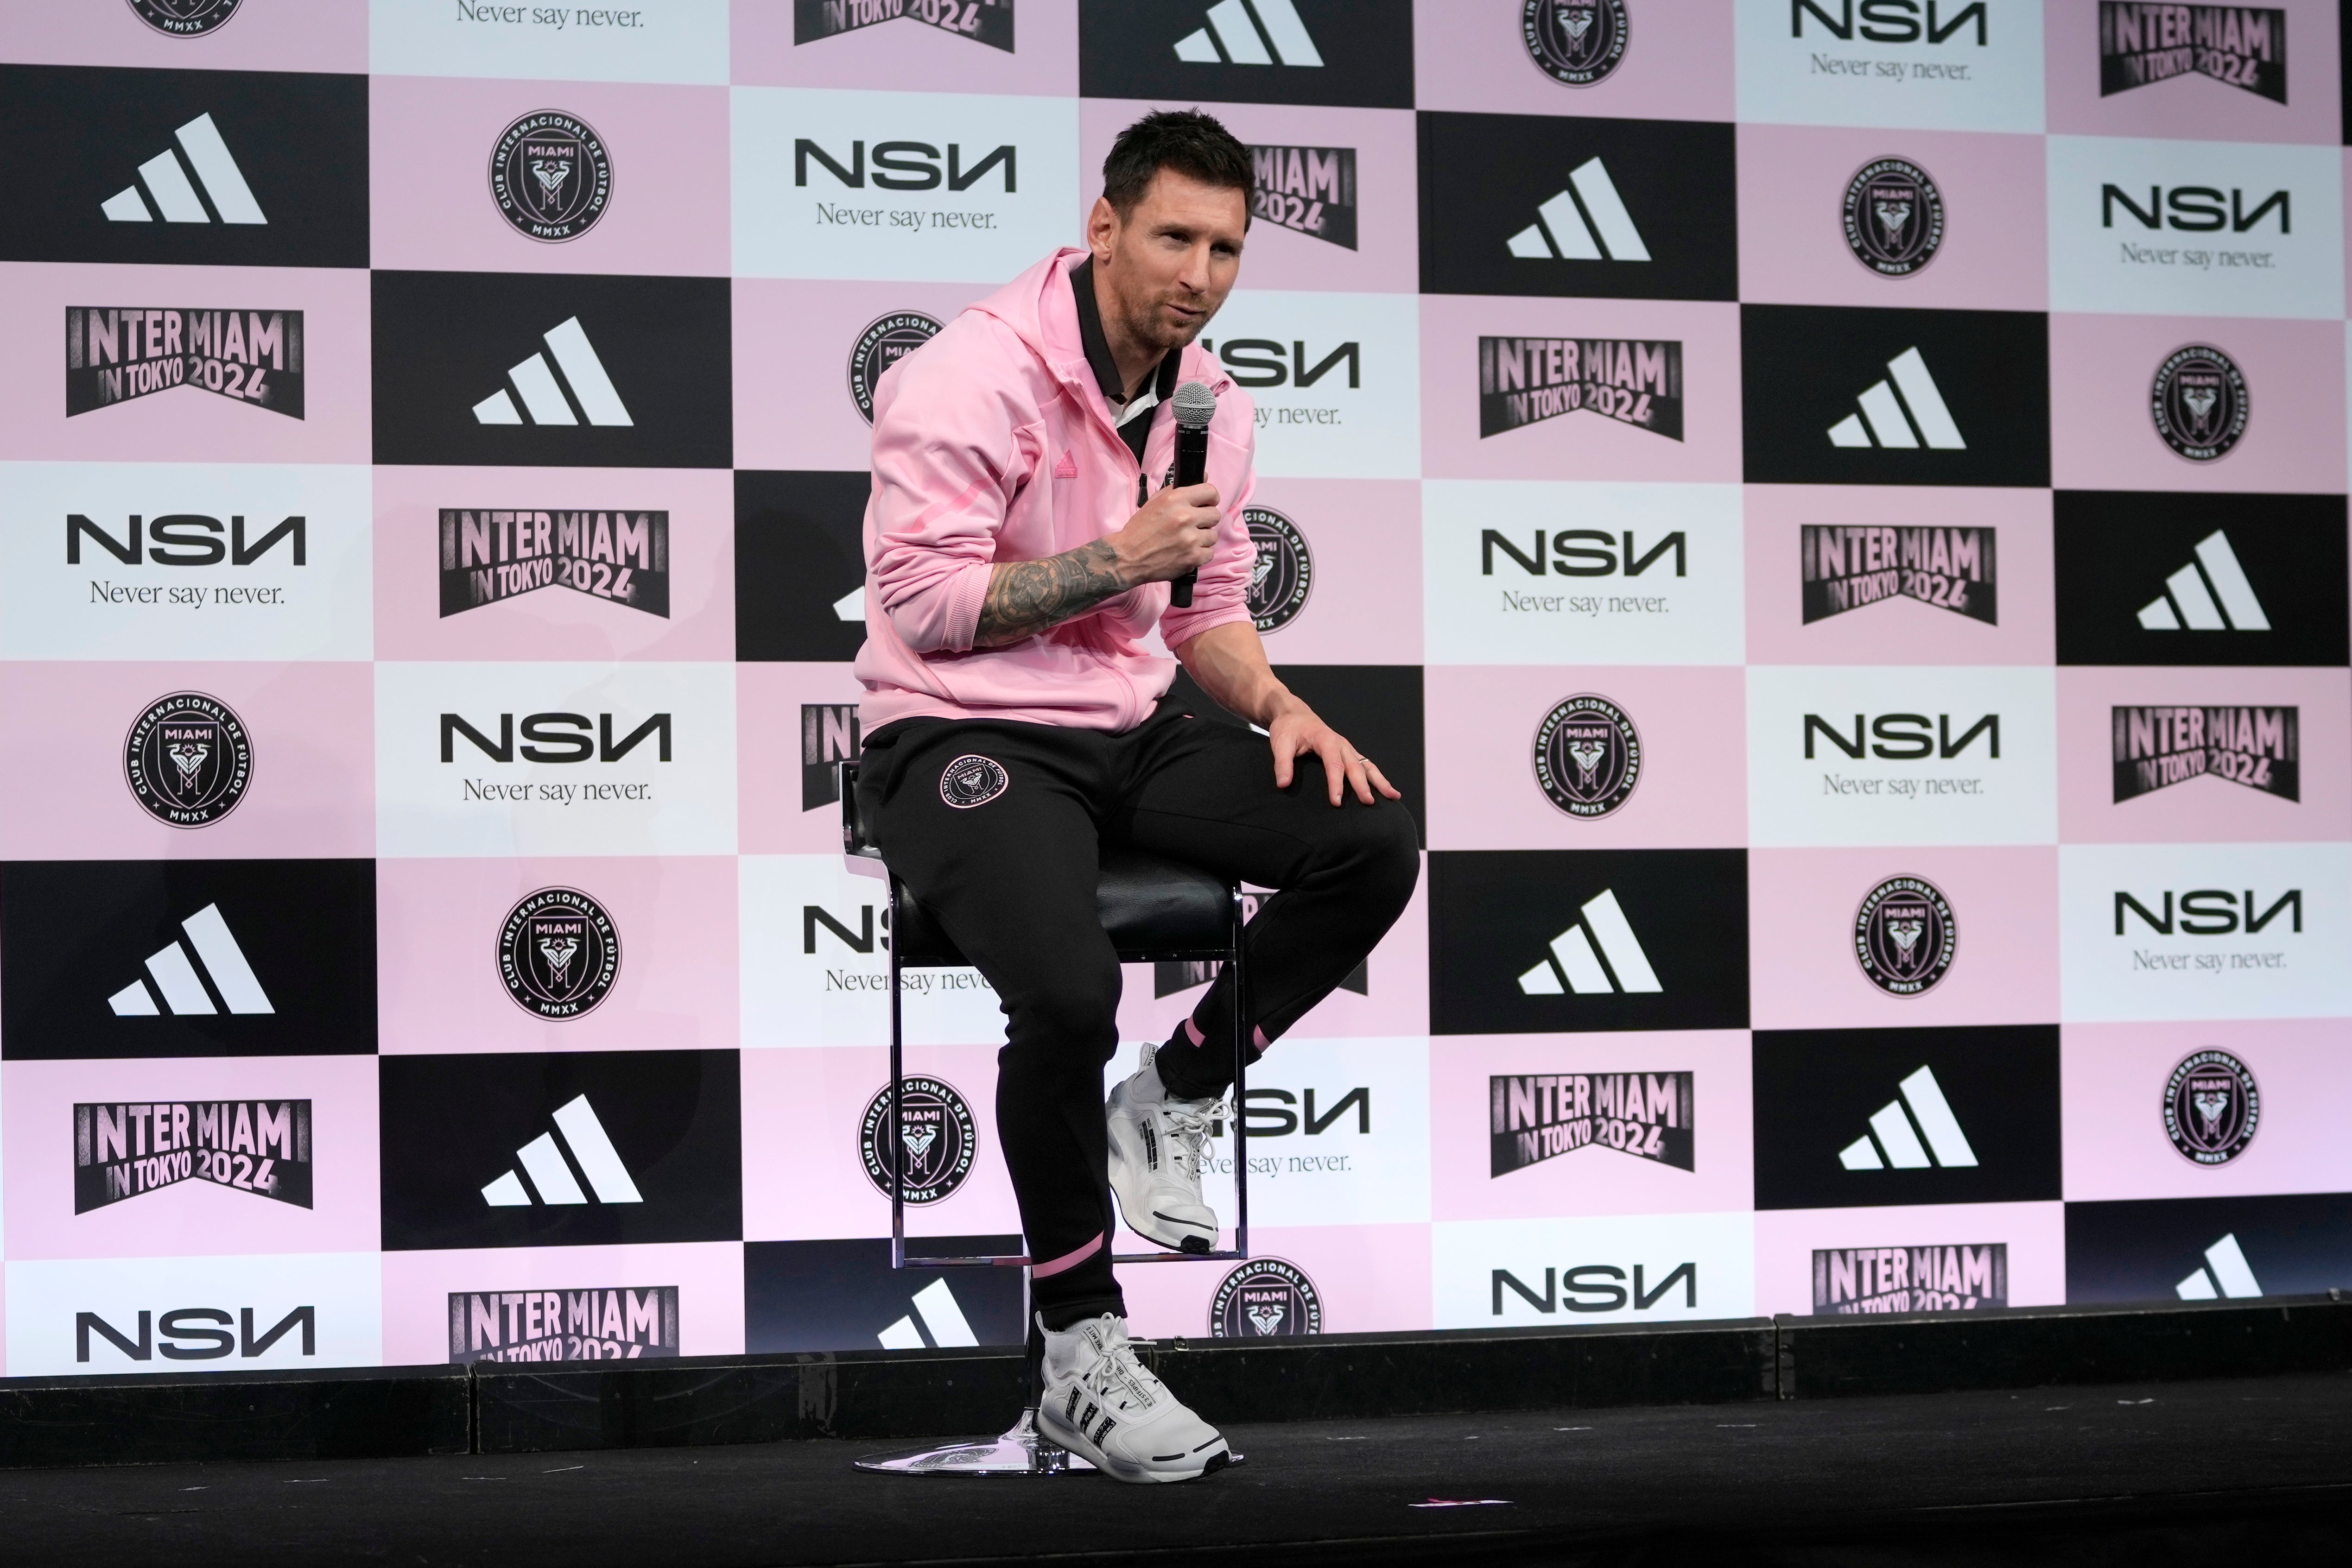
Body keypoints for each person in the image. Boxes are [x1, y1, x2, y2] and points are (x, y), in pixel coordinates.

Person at [850, 110, 1419, 1484]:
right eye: (1174, 237)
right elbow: (922, 609)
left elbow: (1202, 611)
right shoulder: (967, 377)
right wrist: (1114, 559)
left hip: (1123, 729)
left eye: (1226, 247)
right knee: (1062, 991)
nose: (1200, 273)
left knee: (1367, 836)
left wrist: (1281, 707)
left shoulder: (1208, 402)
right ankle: (1081, 1350)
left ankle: (1173, 1091)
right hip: (956, 736)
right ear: (1101, 228)